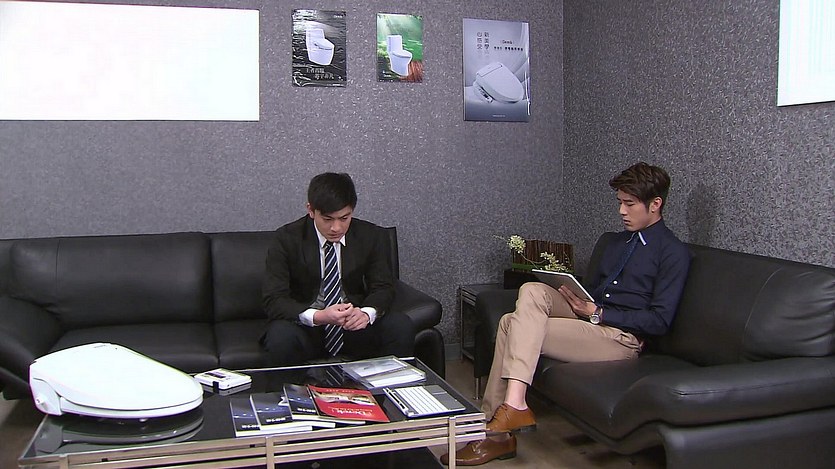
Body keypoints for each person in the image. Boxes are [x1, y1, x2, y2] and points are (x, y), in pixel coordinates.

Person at [443, 162, 691, 466]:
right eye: (619, 203)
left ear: (655, 204)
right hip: (588, 317)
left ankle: (497, 434)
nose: (622, 211)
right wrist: (576, 295)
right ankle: (514, 404)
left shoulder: (673, 252)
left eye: (630, 204)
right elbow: (596, 290)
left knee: (510, 324)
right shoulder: (615, 242)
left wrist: (598, 312)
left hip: (619, 337)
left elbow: (659, 321)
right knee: (532, 290)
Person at [261, 172, 415, 366]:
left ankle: (393, 385)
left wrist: (366, 313)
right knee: (280, 336)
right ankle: (291, 388)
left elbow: (383, 286)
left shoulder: (370, 236)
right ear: (311, 210)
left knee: (400, 325)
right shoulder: (286, 239)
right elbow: (274, 298)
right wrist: (319, 316)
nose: (336, 228)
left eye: (344, 218)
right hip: (308, 327)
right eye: (327, 219)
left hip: (353, 326)